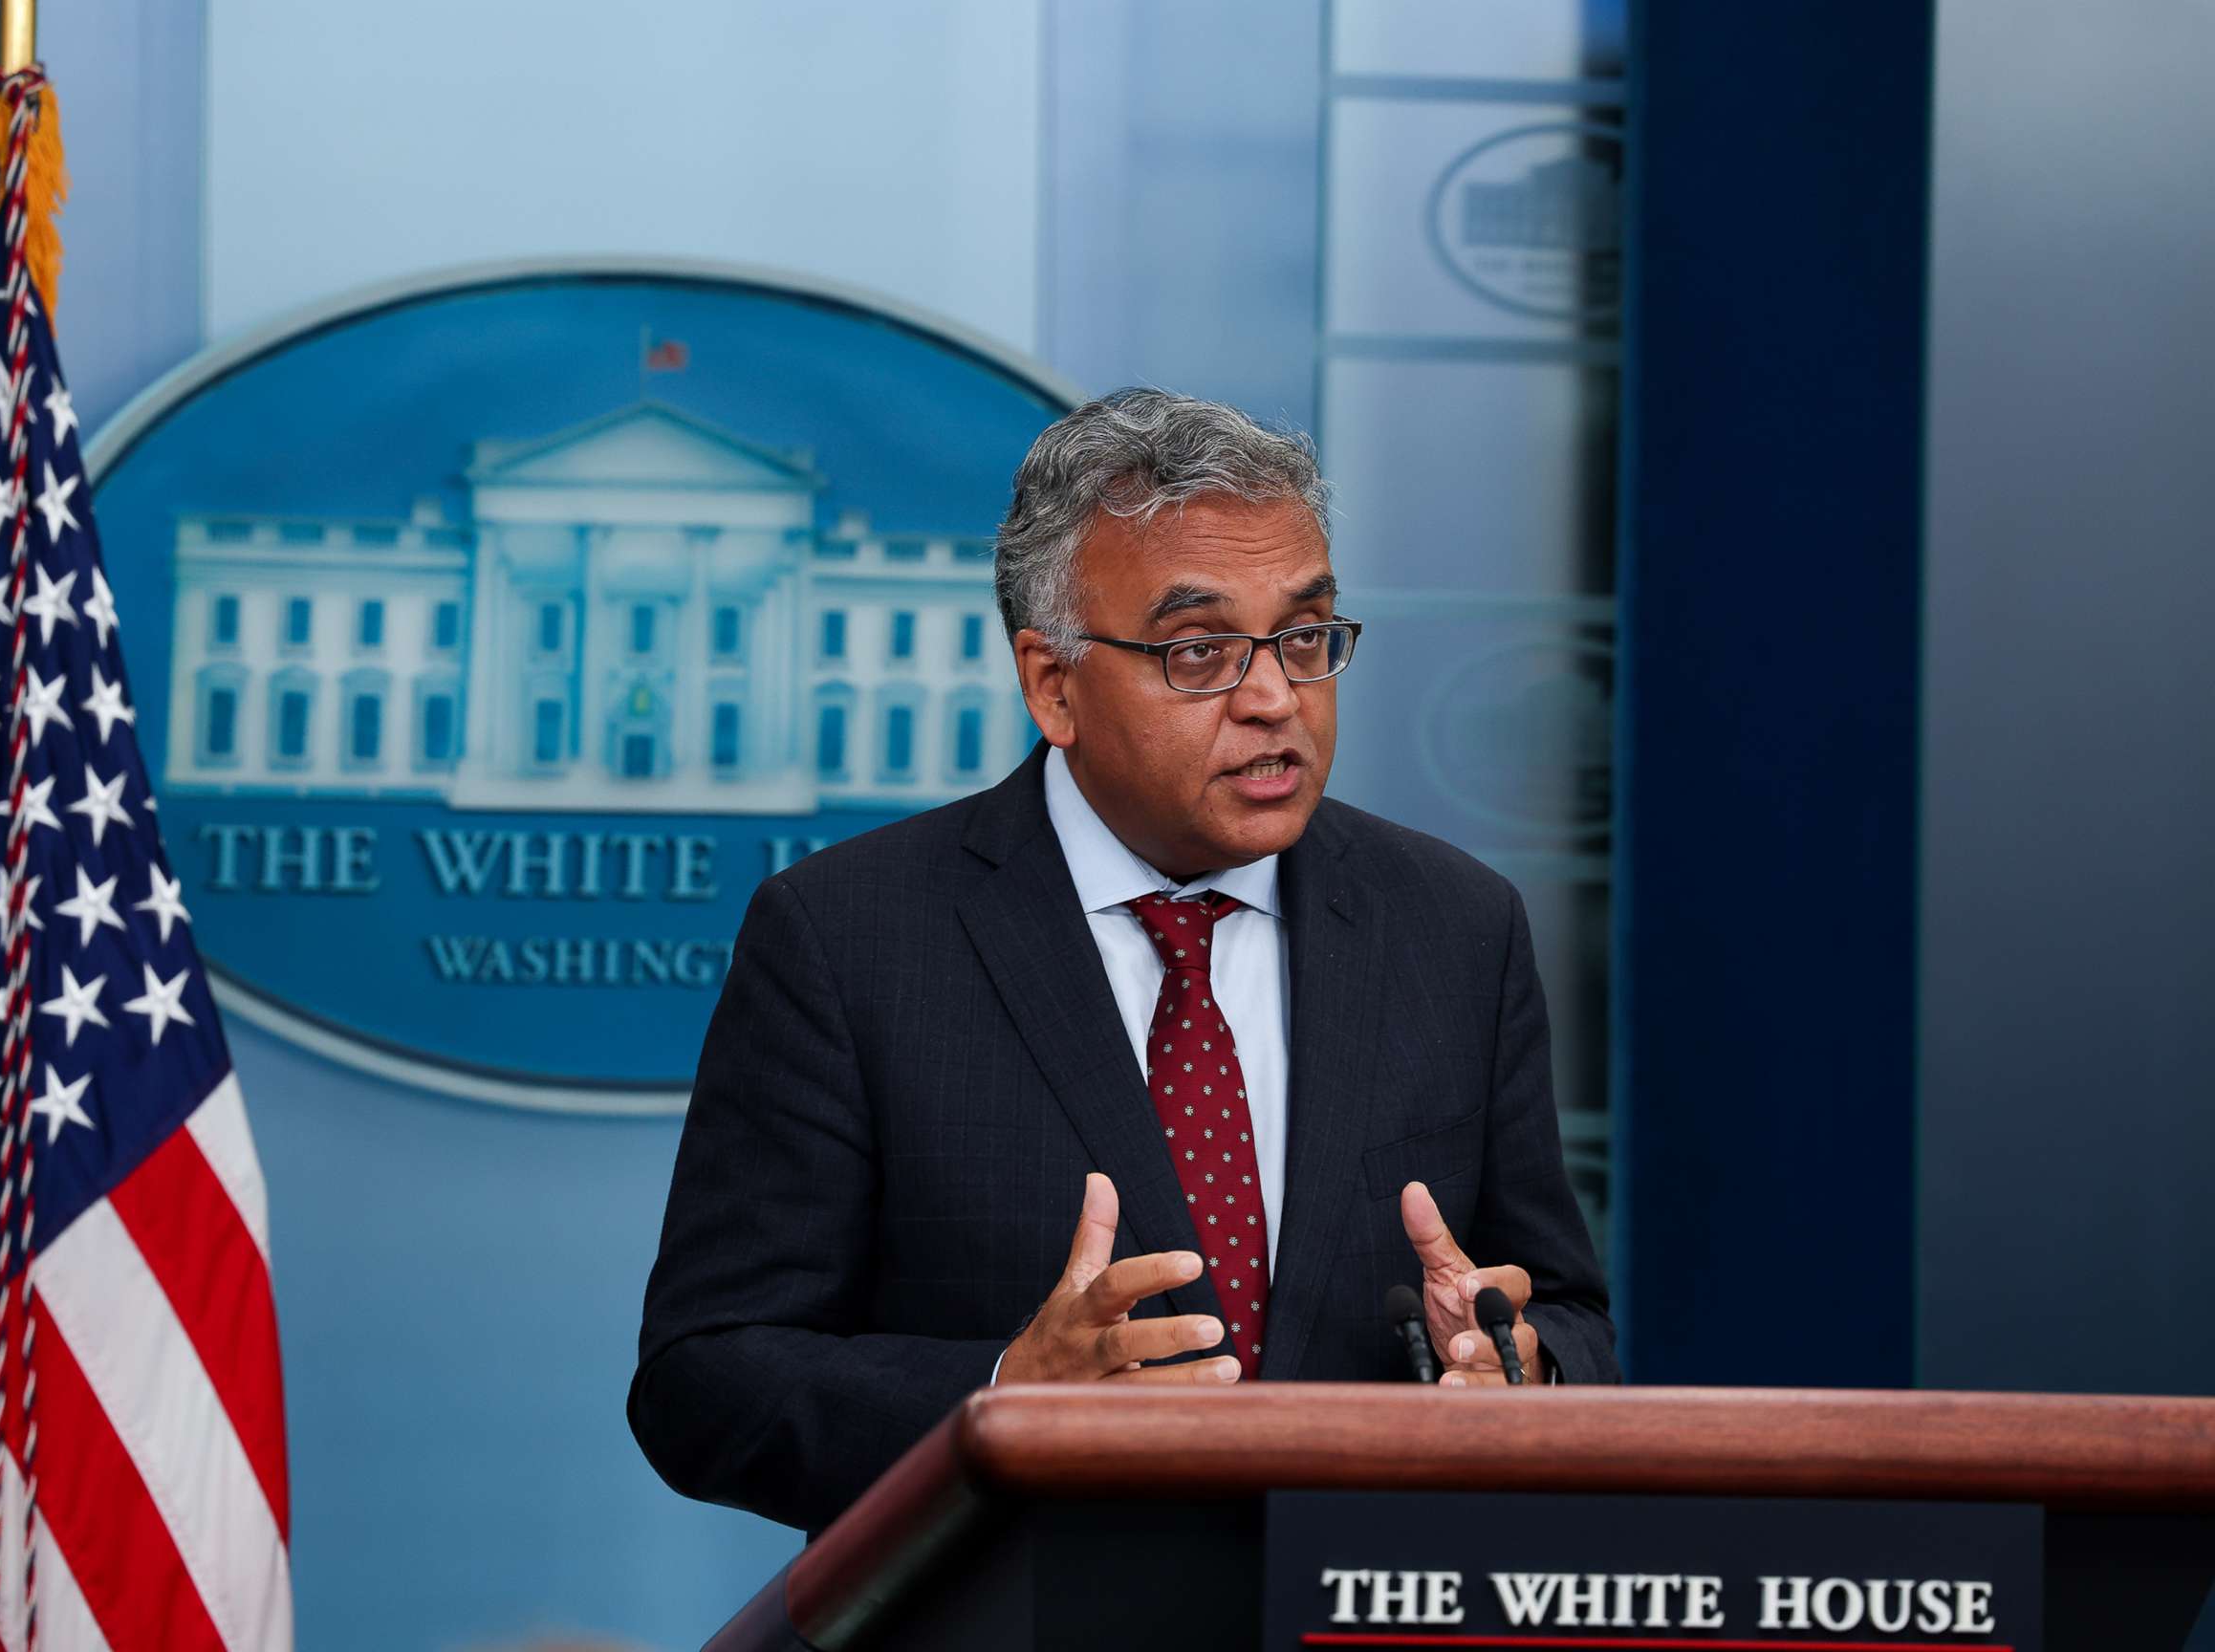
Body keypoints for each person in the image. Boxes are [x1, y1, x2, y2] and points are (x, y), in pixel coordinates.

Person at [629, 388, 1615, 1533]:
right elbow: (706, 1380)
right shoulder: (848, 937)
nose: (1273, 699)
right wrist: (1002, 1402)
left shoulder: (1453, 926)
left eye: (1305, 637)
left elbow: (1570, 1314)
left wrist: (1518, 1372)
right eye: (1200, 651)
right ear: (1053, 686)